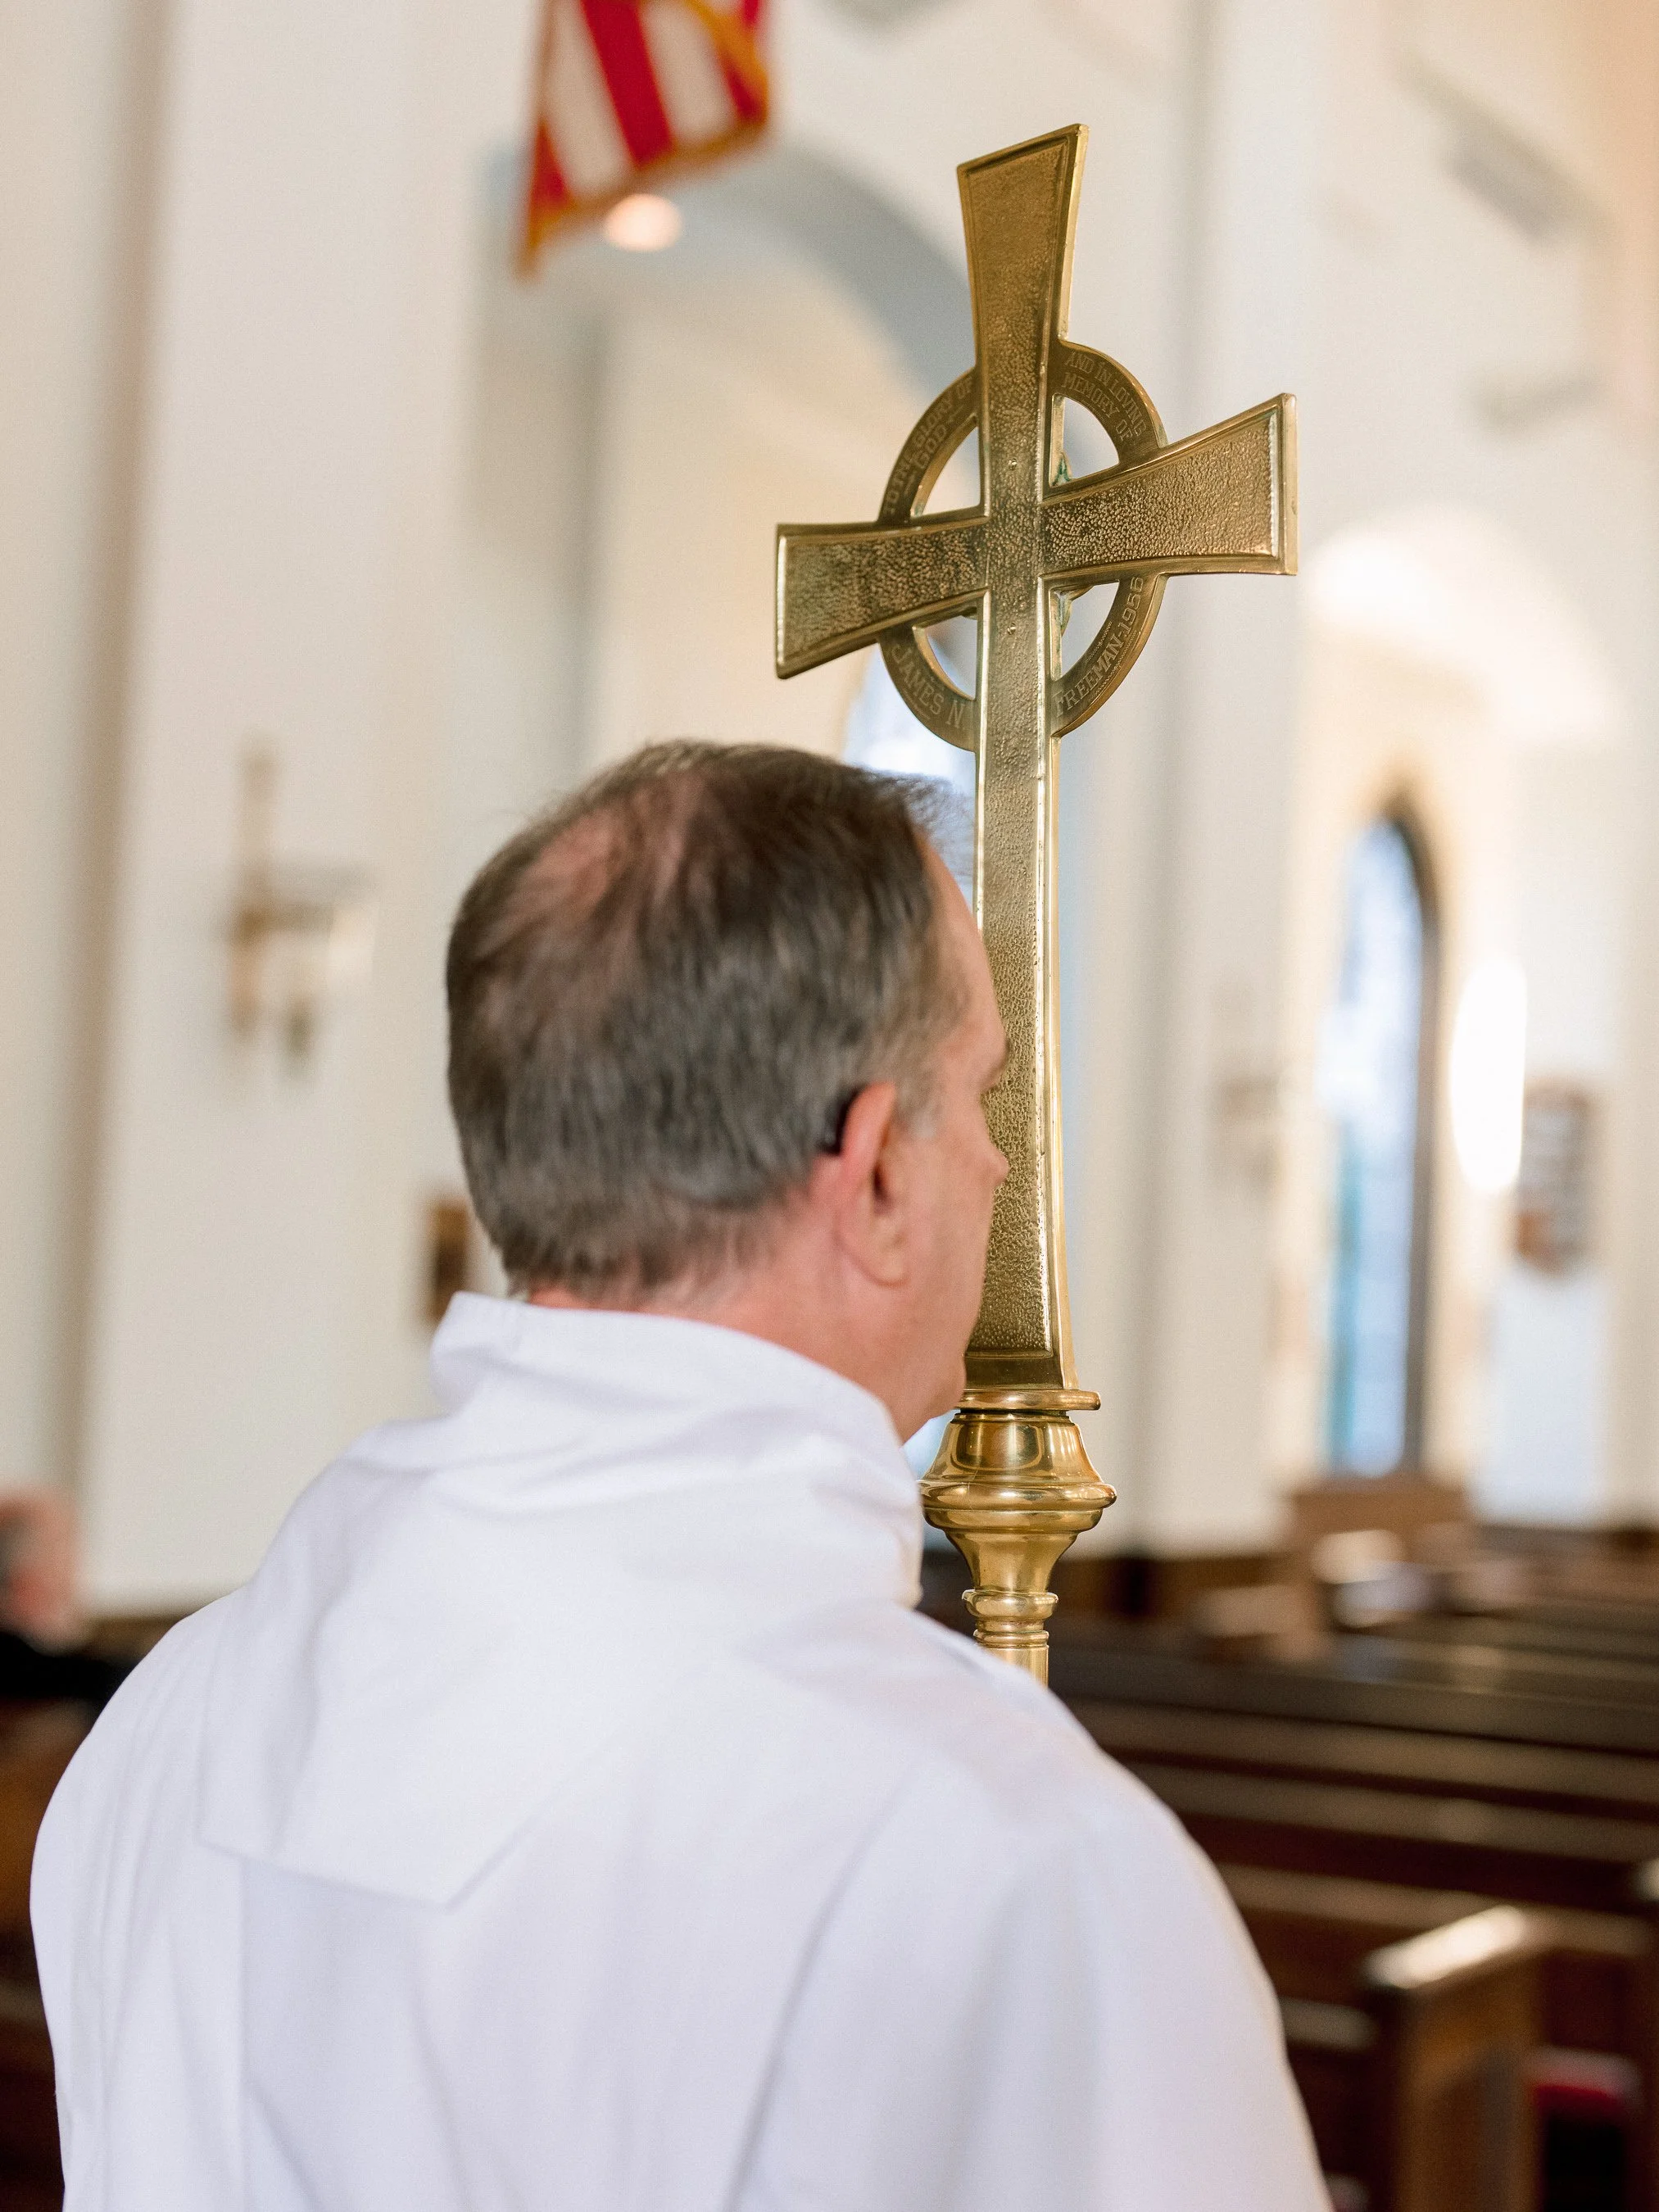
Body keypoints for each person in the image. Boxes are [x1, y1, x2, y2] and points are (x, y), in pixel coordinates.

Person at [32, 742, 1326, 2210]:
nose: (997, 1165)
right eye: (980, 1094)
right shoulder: (1012, 1865)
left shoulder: (170, 1722)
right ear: (877, 1171)